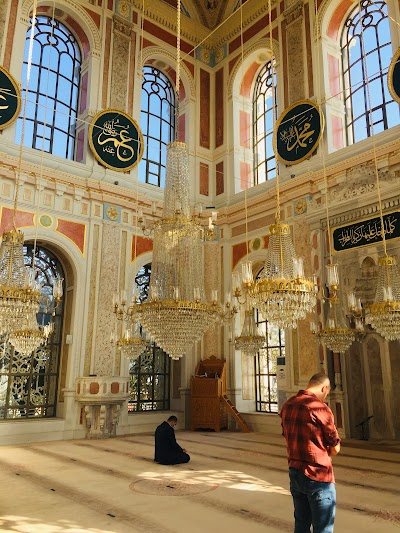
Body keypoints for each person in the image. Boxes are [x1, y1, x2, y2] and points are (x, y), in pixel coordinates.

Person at [280, 373, 341, 533]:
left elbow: (287, 436)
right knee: (323, 528)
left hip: (295, 473)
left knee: (301, 525)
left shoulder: (288, 405)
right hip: (318, 476)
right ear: (324, 387)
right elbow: (335, 447)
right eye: (326, 392)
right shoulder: (319, 408)